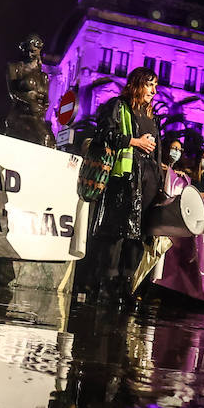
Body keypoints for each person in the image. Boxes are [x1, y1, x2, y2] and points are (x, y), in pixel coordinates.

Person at [89, 67, 160, 305]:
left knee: (137, 237)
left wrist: (160, 181)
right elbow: (103, 134)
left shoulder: (152, 116)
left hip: (147, 184)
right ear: (137, 84)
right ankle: (105, 288)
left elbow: (157, 153)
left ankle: (127, 288)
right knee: (115, 235)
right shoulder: (117, 106)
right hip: (123, 182)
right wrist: (133, 141)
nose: (153, 90)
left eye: (155, 86)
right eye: (149, 84)